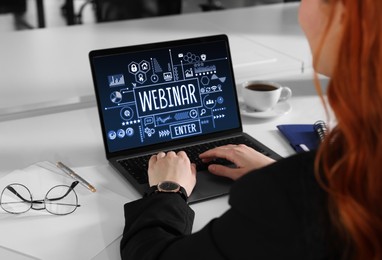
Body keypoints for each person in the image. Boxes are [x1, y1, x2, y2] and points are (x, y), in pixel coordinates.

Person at [120, 0, 382, 259]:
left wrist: (168, 191)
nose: (300, 11)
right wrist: (276, 173)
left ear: (343, 14)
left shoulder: (300, 196)